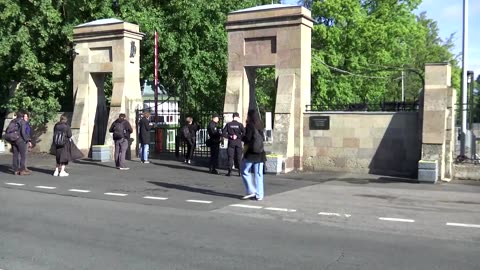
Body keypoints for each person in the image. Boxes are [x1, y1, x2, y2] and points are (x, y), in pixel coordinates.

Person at [240, 110, 267, 201]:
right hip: (260, 153)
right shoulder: (260, 125)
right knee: (259, 174)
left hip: (251, 154)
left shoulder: (250, 126)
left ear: (250, 117)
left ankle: (251, 190)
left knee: (244, 170)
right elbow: (263, 138)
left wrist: (241, 136)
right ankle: (259, 195)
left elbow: (247, 138)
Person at [222, 112, 245, 176]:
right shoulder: (240, 125)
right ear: (237, 117)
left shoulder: (228, 124)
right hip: (238, 142)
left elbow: (223, 133)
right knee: (239, 157)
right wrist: (238, 136)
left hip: (231, 143)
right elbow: (244, 133)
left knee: (230, 157)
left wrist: (230, 136)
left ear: (233, 117)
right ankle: (240, 172)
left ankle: (229, 172)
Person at [11, 111, 32, 176]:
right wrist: (27, 140)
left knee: (15, 155)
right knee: (23, 156)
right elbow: (23, 132)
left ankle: (16, 170)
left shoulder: (13, 121)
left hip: (14, 140)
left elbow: (7, 130)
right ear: (22, 116)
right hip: (21, 141)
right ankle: (22, 170)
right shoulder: (23, 122)